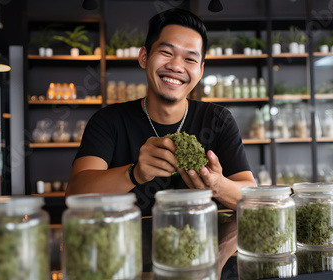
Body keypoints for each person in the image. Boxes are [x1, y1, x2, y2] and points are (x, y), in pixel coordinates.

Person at [66, 8, 256, 216]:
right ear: (144, 57)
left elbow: (253, 198)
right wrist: (134, 173)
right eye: (166, 52)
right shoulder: (109, 120)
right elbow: (75, 195)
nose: (175, 66)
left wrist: (218, 185)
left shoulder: (218, 119)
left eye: (190, 59)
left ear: (200, 72)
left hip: (201, 242)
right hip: (128, 244)